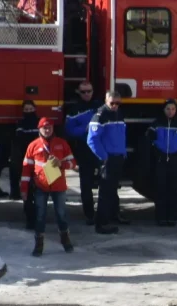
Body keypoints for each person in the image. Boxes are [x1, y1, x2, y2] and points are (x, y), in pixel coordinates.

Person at [20, 117, 76, 256]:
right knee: (40, 216)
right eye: (44, 127)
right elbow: (26, 169)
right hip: (41, 186)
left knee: (61, 214)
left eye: (49, 127)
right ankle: (39, 245)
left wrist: (61, 164)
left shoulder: (62, 144)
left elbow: (73, 163)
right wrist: (24, 189)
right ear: (39, 129)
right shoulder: (33, 146)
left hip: (58, 186)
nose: (47, 130)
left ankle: (65, 240)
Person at [87, 90, 126, 235]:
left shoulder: (118, 114)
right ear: (106, 100)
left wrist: (123, 153)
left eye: (117, 103)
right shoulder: (100, 116)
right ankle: (101, 224)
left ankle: (110, 218)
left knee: (112, 191)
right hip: (108, 159)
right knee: (105, 192)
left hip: (117, 157)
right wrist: (104, 157)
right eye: (112, 103)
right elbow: (92, 140)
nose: (115, 105)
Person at [64, 81, 101, 224]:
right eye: (83, 92)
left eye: (89, 91)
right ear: (78, 93)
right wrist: (86, 129)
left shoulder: (100, 107)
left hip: (100, 150)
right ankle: (89, 215)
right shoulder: (74, 109)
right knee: (85, 184)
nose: (87, 94)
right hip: (84, 149)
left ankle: (109, 213)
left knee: (108, 183)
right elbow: (68, 130)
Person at [148, 99, 177, 227]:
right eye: (168, 109)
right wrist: (156, 153)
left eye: (173, 109)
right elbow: (149, 141)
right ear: (163, 110)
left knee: (173, 189)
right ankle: (161, 217)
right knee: (160, 189)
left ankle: (172, 217)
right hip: (160, 161)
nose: (170, 112)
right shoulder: (156, 124)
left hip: (174, 161)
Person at [11, 100, 40, 211]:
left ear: (35, 109)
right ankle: (29, 213)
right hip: (25, 159)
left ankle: (38, 210)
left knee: (38, 186)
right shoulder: (20, 124)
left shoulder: (39, 122)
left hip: (39, 159)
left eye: (31, 109)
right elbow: (20, 139)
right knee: (27, 187)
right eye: (26, 110)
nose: (29, 112)